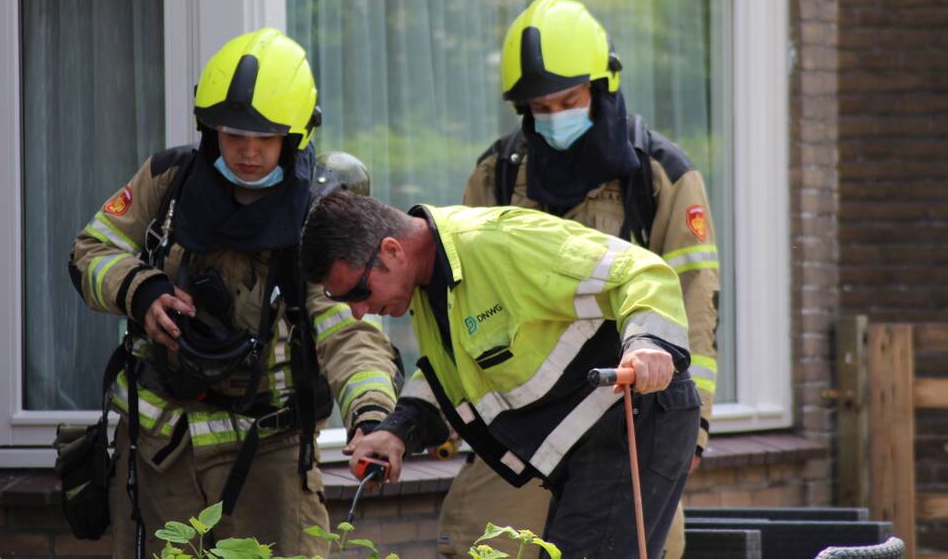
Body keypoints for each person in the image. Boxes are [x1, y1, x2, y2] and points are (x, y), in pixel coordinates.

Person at [68, 28, 400, 557]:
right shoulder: (168, 181)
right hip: (162, 460)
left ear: (294, 138)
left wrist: (372, 415)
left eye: (266, 139)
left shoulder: (318, 212)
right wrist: (141, 290)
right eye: (233, 135)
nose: (248, 152)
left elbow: (349, 331)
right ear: (209, 130)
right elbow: (90, 250)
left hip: (267, 459)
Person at [437, 0, 721, 558]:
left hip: (626, 428)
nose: (553, 117)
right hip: (517, 431)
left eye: (568, 100)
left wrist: (696, 429)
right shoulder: (496, 177)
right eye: (539, 107)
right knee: (484, 547)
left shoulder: (658, 178)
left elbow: (695, 306)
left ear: (604, 86)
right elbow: (454, 306)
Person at [299, 190, 702, 559]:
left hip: (637, 419)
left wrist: (648, 343)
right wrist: (397, 430)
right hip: (589, 444)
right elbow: (456, 380)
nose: (356, 312)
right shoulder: (428, 287)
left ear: (391, 251)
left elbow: (642, 271)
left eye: (358, 292)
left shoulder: (500, 243)